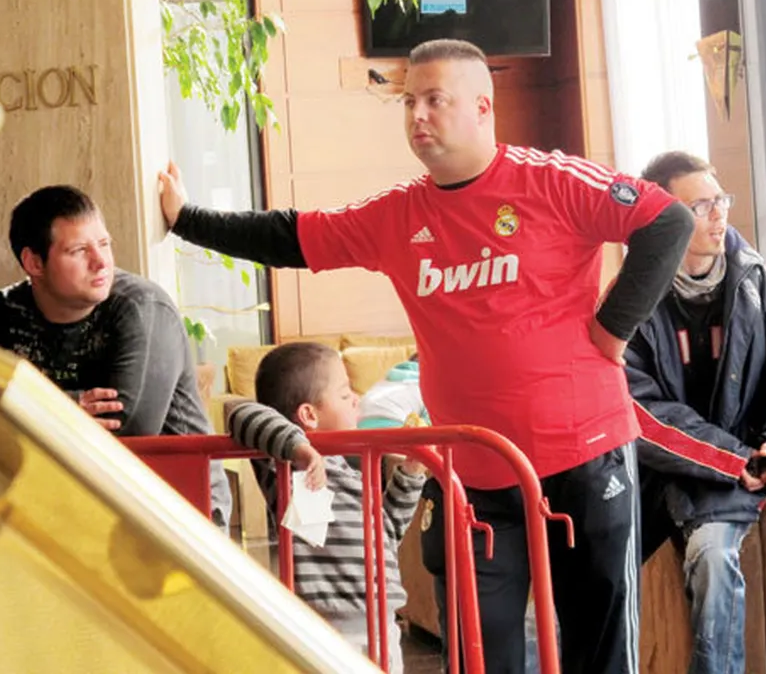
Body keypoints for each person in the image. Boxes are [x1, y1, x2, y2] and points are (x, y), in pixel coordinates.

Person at [159, 39, 694, 674]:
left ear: (483, 106)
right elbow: (292, 236)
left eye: (435, 100)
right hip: (473, 472)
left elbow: (668, 223)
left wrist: (612, 328)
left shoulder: (551, 180)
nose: (417, 115)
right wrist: (185, 219)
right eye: (409, 101)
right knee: (477, 657)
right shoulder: (398, 215)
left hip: (585, 453)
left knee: (598, 657)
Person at [628, 151, 766, 674]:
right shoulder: (627, 301)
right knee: (574, 568)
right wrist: (730, 457)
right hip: (653, 477)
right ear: (663, 217)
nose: (719, 214)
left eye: (720, 200)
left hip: (734, 480)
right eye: (701, 206)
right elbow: (634, 411)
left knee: (714, 558)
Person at [0, 185, 232, 529]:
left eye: (104, 244)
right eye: (79, 250)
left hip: (178, 511)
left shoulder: (142, 309)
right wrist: (63, 408)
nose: (101, 261)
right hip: (66, 511)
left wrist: (22, 410)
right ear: (34, 262)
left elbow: (125, 433)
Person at [225, 342, 426, 672]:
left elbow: (388, 534)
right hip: (328, 628)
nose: (357, 399)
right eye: (345, 394)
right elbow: (241, 415)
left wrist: (411, 473)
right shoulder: (286, 466)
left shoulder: (353, 471)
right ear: (309, 415)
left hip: (382, 625)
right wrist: (299, 449)